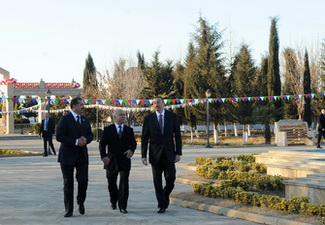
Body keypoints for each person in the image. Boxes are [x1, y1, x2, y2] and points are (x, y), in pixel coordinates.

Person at [141, 97, 182, 213]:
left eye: (158, 102)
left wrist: (178, 152)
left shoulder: (172, 116)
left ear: (164, 104)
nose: (156, 105)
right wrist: (143, 156)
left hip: (169, 153)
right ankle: (161, 205)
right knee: (157, 181)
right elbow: (144, 138)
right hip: (155, 154)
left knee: (171, 177)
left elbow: (177, 136)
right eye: (154, 103)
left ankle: (165, 194)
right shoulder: (148, 118)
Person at [56, 97, 93, 217]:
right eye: (81, 105)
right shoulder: (65, 119)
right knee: (68, 183)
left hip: (82, 156)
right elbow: (59, 136)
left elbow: (90, 135)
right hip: (67, 156)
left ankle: (80, 201)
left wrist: (86, 140)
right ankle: (69, 209)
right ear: (74, 106)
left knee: (83, 180)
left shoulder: (84, 119)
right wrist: (75, 141)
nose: (83, 107)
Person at [99, 109, 137, 214]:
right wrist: (104, 156)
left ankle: (123, 205)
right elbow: (102, 145)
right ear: (114, 117)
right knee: (111, 183)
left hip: (125, 160)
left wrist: (131, 150)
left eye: (124, 115)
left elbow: (133, 143)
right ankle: (114, 200)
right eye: (121, 115)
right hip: (111, 161)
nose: (123, 117)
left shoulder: (129, 130)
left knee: (124, 183)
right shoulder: (108, 129)